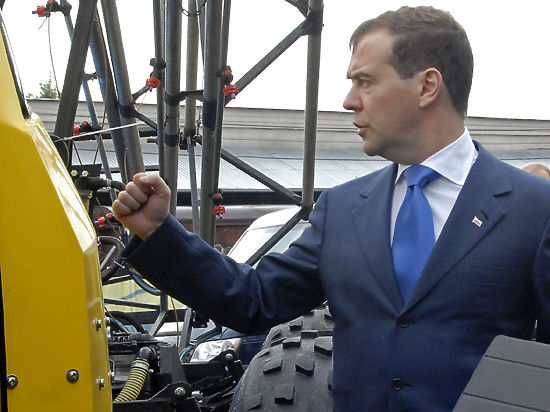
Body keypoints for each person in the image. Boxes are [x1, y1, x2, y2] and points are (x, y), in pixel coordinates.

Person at [113, 6, 550, 411]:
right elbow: (254, 300)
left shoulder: (535, 209)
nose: (349, 101)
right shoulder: (342, 209)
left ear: (427, 86)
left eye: (365, 81)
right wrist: (160, 230)